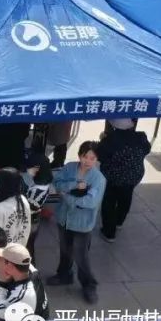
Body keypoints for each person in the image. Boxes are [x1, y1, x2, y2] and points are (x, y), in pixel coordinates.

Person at [49, 141, 106, 303]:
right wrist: (74, 185)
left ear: (97, 159)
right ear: (80, 155)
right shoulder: (69, 168)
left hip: (82, 224)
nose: (88, 161)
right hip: (64, 219)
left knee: (81, 256)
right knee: (65, 249)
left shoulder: (98, 179)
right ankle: (64, 275)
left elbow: (90, 202)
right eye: (85, 156)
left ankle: (89, 284)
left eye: (92, 158)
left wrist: (67, 197)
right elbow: (57, 183)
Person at [97, 119, 151, 243]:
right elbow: (147, 150)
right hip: (134, 176)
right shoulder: (141, 137)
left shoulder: (110, 140)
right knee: (126, 197)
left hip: (114, 177)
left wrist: (102, 140)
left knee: (109, 202)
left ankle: (109, 233)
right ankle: (119, 221)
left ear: (114, 125)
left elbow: (100, 155)